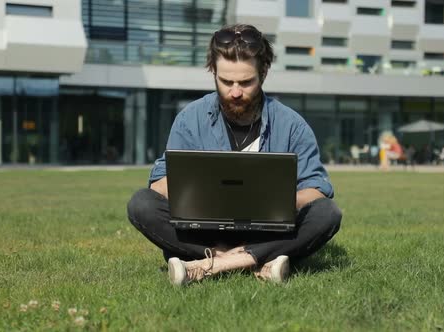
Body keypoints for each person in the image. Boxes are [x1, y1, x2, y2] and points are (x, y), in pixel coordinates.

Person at [127, 24, 342, 286]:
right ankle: (261, 261)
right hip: (205, 232)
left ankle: (210, 265)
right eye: (226, 82)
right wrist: (197, 192)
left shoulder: (292, 125)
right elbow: (159, 185)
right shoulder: (189, 119)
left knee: (327, 214)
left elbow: (317, 189)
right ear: (213, 72)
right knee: (141, 204)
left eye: (246, 82)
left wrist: (277, 202)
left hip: (268, 231)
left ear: (263, 73)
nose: (236, 92)